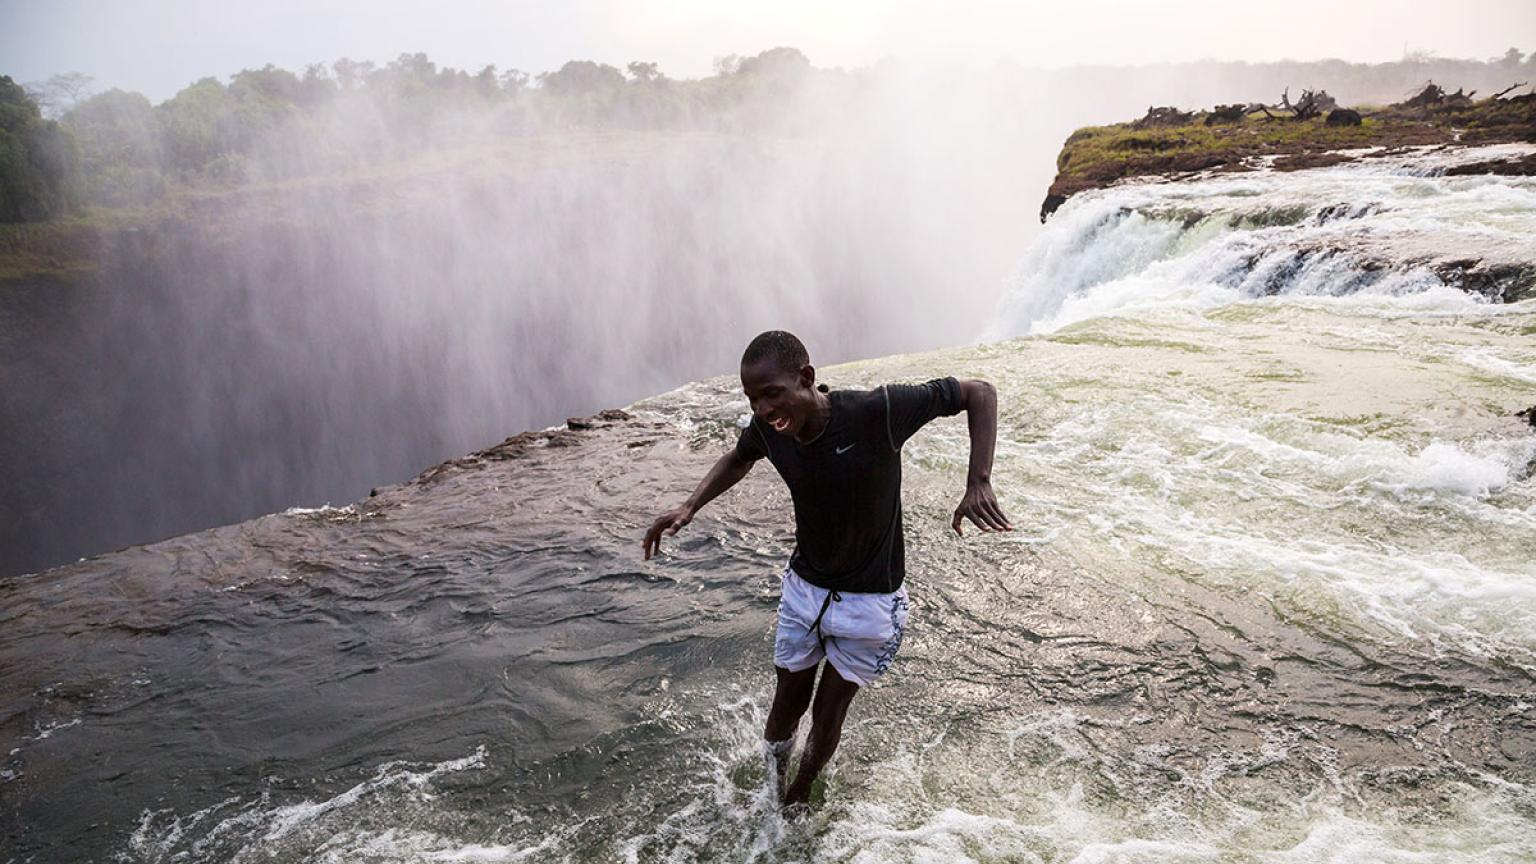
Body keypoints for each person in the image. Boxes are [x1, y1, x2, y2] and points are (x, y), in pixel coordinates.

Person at [642, 330, 1010, 810]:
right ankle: (772, 791)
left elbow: (979, 392)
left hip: (871, 603)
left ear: (807, 379)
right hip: (804, 594)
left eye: (772, 393)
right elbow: (738, 457)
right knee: (786, 707)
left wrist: (978, 480)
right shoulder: (770, 432)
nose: (763, 409)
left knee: (828, 712)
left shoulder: (877, 411)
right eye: (752, 398)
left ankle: (800, 794)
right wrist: (690, 506)